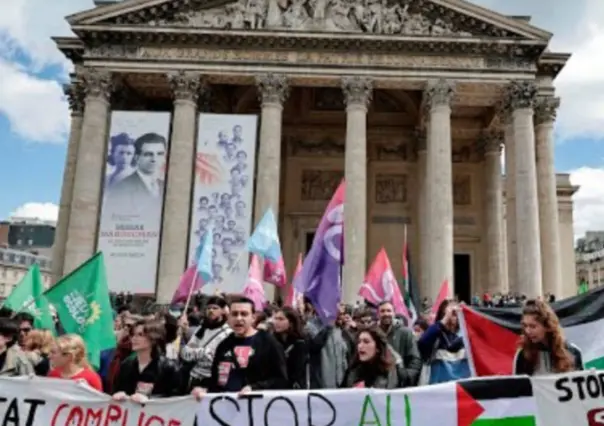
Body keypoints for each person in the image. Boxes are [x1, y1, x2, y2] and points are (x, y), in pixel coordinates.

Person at [191, 296, 288, 399]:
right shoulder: (224, 345)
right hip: (227, 408)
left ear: (253, 318)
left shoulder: (269, 343)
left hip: (256, 408)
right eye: (234, 314)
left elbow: (281, 380)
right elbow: (217, 380)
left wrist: (254, 388)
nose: (239, 318)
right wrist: (204, 389)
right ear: (228, 318)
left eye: (244, 314)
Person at [112, 319, 182, 402]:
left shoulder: (169, 367)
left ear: (153, 338)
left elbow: (177, 400)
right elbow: (117, 390)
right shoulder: (126, 365)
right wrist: (119, 395)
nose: (134, 338)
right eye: (133, 335)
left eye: (140, 335)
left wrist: (150, 400)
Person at [513, 300, 583, 375]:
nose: (527, 331)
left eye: (533, 326)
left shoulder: (572, 351)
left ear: (548, 326)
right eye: (525, 326)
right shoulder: (523, 354)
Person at [180, 296, 231, 392]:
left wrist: (197, 352)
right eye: (208, 308)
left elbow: (215, 358)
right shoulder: (200, 329)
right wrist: (202, 352)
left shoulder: (228, 333)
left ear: (223, 311)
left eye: (215, 308)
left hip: (211, 380)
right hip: (193, 378)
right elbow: (185, 352)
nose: (211, 311)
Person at [417, 300, 470, 384]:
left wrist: (468, 315)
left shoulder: (466, 336)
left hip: (462, 388)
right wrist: (445, 318)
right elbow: (422, 342)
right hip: (440, 388)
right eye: (451, 312)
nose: (454, 315)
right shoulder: (436, 335)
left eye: (456, 313)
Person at [377, 301, 422, 386]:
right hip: (378, 384)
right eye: (382, 311)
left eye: (389, 311)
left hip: (399, 385)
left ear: (394, 313)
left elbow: (415, 359)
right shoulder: (373, 333)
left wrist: (406, 375)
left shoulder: (405, 333)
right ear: (378, 314)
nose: (386, 313)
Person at [272, 307, 309, 389]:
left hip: (290, 390)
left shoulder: (299, 344)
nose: (276, 322)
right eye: (275, 319)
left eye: (281, 319)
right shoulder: (272, 341)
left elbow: (296, 373)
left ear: (291, 323)